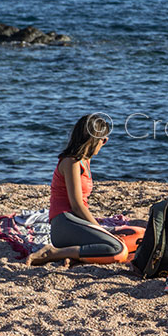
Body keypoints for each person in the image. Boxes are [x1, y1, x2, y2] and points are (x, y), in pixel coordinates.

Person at [27, 114, 128, 266]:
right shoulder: (72, 162)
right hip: (64, 223)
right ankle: (52, 253)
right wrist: (100, 229)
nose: (105, 143)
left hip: (77, 222)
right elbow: (77, 205)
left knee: (136, 235)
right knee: (118, 250)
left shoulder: (85, 161)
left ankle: (75, 255)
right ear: (94, 139)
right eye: (104, 139)